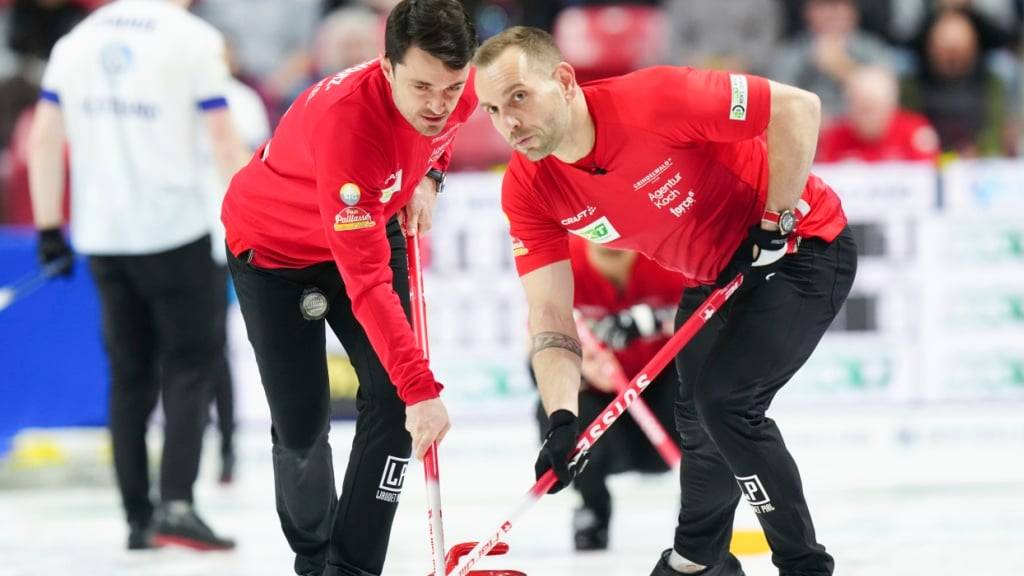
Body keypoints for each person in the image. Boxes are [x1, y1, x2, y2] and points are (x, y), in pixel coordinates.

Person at [473, 27, 857, 576]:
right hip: (715, 275)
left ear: (562, 80)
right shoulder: (528, 189)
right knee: (696, 416)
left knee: (724, 405)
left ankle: (804, 565)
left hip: (801, 248)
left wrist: (776, 220)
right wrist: (563, 417)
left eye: (518, 96)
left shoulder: (654, 99)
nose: (508, 122)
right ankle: (699, 561)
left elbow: (799, 107)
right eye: (491, 109)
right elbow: (554, 319)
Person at [219, 1, 477, 574]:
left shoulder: (460, 83)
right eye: (422, 87)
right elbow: (366, 284)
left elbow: (446, 129)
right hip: (274, 253)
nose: (439, 105)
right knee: (304, 426)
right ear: (385, 67)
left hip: (368, 221)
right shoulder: (349, 125)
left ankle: (353, 567)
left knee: (390, 401)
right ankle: (314, 559)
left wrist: (430, 178)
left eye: (452, 87)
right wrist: (422, 388)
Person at [27, 0, 249, 551]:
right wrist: (253, 222)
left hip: (104, 236)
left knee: (128, 377)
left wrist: (50, 227)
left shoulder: (76, 41)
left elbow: (45, 138)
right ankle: (177, 504)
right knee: (190, 367)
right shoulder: (191, 37)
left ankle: (137, 517)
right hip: (175, 229)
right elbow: (224, 139)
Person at [533, 236, 684, 552]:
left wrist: (653, 321)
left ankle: (701, 517)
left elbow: (709, 318)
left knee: (705, 393)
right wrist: (582, 369)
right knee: (556, 405)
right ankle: (592, 506)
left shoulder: (666, 252)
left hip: (662, 396)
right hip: (606, 404)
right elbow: (538, 348)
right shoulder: (563, 261)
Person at [198, 40, 273, 486]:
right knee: (206, 347)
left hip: (232, 232)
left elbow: (252, 164)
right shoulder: (180, 93)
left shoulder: (242, 102)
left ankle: (227, 445)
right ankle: (217, 444)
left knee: (220, 345)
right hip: (190, 236)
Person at [817, 65, 940, 163]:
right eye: (860, 108)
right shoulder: (833, 137)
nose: (866, 117)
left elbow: (930, 176)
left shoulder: (915, 132)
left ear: (890, 106)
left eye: (873, 108)